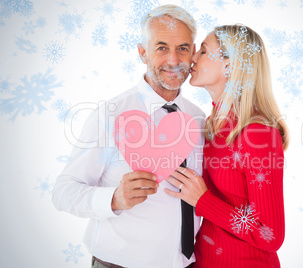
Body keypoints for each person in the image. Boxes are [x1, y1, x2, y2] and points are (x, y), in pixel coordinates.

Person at [52, 4, 205, 268]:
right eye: (161, 47)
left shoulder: (199, 118)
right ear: (142, 51)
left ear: (193, 51)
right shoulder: (110, 115)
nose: (173, 60)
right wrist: (114, 198)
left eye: (182, 48)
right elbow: (63, 191)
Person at [165, 25, 289, 267]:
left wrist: (204, 201)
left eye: (203, 51)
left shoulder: (258, 133)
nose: (192, 58)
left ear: (231, 65)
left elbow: (270, 234)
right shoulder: (210, 126)